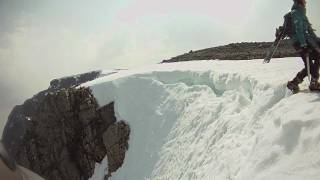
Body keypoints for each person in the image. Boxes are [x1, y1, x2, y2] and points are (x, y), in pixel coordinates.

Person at [287, 0, 320, 93]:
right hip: (299, 42)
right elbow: (299, 30)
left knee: (316, 57)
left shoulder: (301, 13)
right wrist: (304, 45)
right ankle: (313, 83)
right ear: (300, 2)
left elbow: (309, 30)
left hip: (304, 41)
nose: (306, 2)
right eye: (304, 1)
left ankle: (295, 83)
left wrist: (317, 41)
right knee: (309, 63)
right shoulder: (296, 13)